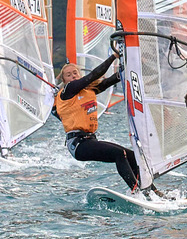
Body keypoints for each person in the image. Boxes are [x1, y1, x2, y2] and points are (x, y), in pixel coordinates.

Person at [56, 55, 140, 192]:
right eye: (68, 75)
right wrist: (113, 57)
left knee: (131, 155)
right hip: (78, 144)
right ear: (64, 80)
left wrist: (126, 69)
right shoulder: (68, 90)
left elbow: (108, 82)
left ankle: (150, 190)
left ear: (79, 74)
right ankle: (136, 191)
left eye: (75, 73)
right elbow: (94, 75)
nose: (73, 76)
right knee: (119, 154)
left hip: (90, 140)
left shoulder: (89, 90)